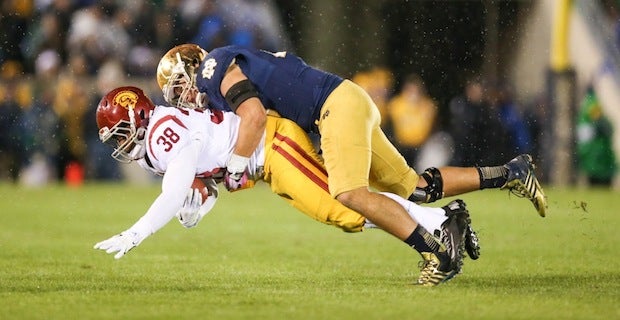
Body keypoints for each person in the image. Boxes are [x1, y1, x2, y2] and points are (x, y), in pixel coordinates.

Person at [155, 44, 547, 283]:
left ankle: (439, 251)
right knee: (415, 187)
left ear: (193, 68)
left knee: (348, 193)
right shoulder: (227, 68)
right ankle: (511, 173)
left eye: (179, 88)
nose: (184, 98)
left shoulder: (213, 70)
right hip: (345, 99)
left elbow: (256, 117)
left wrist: (238, 163)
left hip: (334, 106)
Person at [92, 86, 480, 287]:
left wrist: (137, 231)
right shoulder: (152, 145)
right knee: (344, 211)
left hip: (273, 146)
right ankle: (440, 219)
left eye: (121, 132)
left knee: (345, 207)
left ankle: (440, 220)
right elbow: (201, 189)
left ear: (139, 116)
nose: (120, 143)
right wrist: (194, 209)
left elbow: (173, 192)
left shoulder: (161, 131)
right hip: (266, 158)